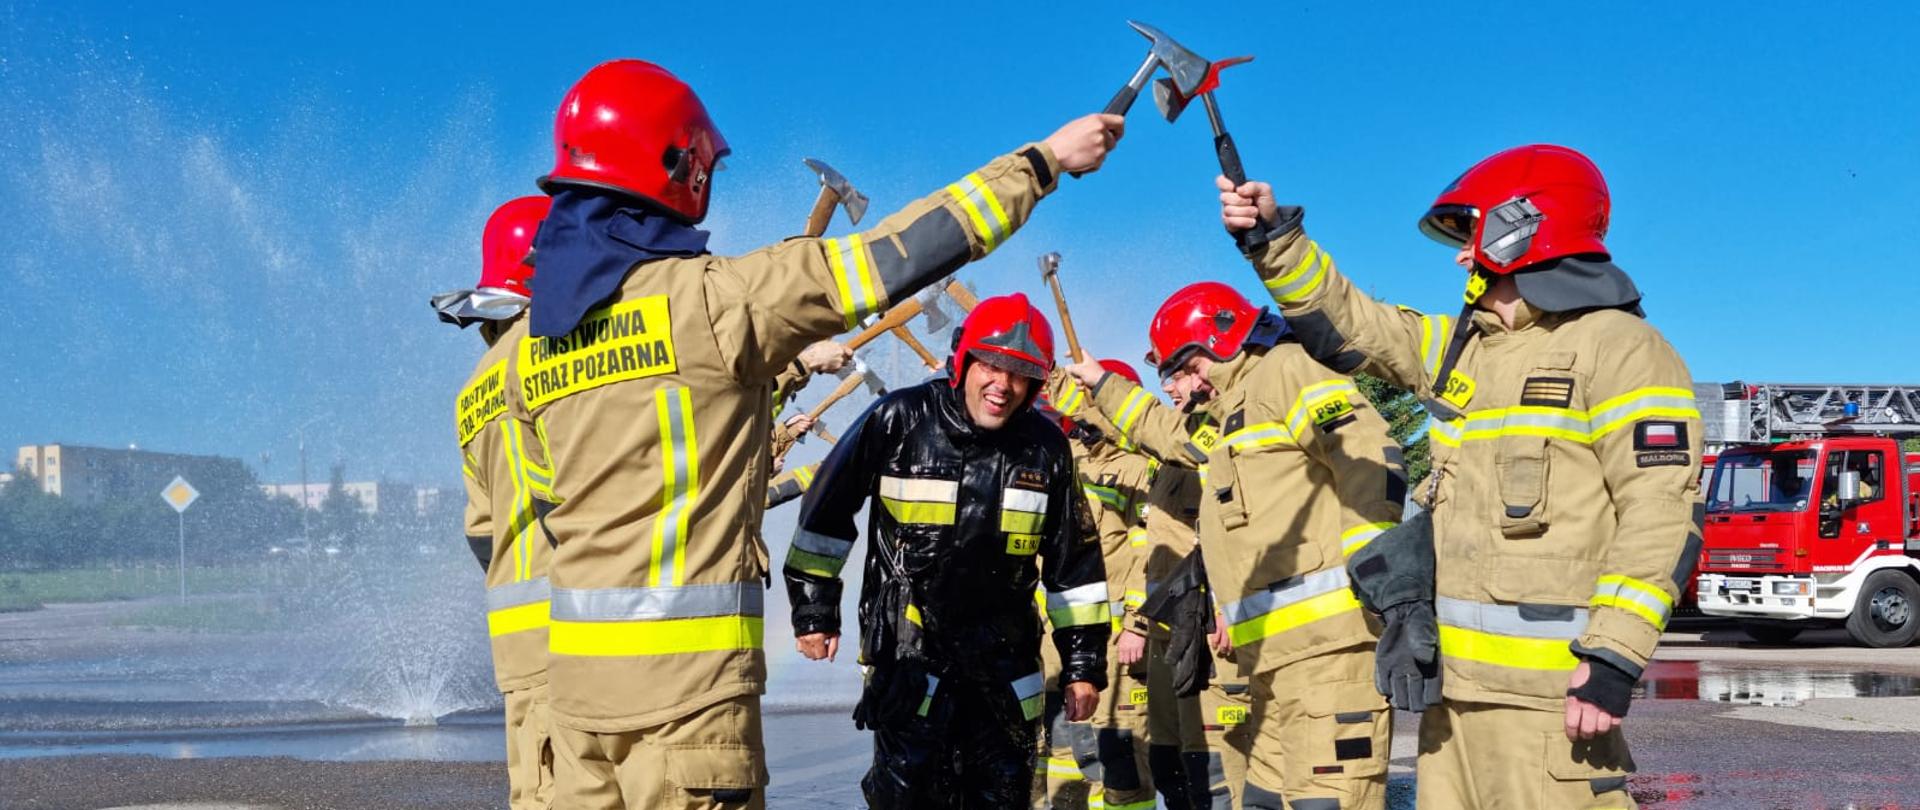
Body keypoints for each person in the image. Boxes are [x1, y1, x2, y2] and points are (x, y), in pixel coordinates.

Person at [499, 58, 1125, 809]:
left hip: (570, 698)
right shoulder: (716, 302)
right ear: (682, 169)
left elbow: (532, 525)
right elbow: (904, 251)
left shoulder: (532, 345)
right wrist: (1043, 161)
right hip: (685, 703)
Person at [1218, 144, 1703, 808]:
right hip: (1451, 704)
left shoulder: (1622, 349)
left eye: (1471, 236)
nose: (1459, 256)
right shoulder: (1462, 353)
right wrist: (1273, 238)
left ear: (1523, 229)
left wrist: (1613, 658)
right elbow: (1353, 323)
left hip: (1551, 706)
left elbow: (1662, 511)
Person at [1070, 282, 1405, 809]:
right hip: (1269, 660)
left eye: (1175, 372)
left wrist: (1381, 573)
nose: (1174, 388)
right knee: (1264, 799)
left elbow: (1369, 455)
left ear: (1208, 349)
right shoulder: (1231, 417)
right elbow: (1166, 432)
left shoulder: (1290, 371)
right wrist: (1101, 384)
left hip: (1328, 654)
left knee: (1329, 800)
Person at [784, 294, 1111, 808]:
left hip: (1005, 666)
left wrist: (1084, 662)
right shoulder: (898, 419)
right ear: (962, 362)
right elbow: (825, 513)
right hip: (912, 655)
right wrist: (814, 611)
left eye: (1020, 373)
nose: (1002, 385)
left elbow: (1076, 565)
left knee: (1003, 796)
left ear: (1035, 384)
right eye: (992, 365)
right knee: (908, 796)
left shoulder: (1046, 448)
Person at [438, 195, 556, 810]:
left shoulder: (472, 389)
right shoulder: (555, 360)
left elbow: (482, 531)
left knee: (536, 790)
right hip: (582, 624)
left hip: (516, 635)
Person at [1037, 361, 1157, 810]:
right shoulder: (1063, 460)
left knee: (1121, 758)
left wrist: (1137, 624)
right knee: (1066, 751)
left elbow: (1153, 553)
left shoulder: (1140, 467)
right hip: (1059, 641)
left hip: (1117, 642)